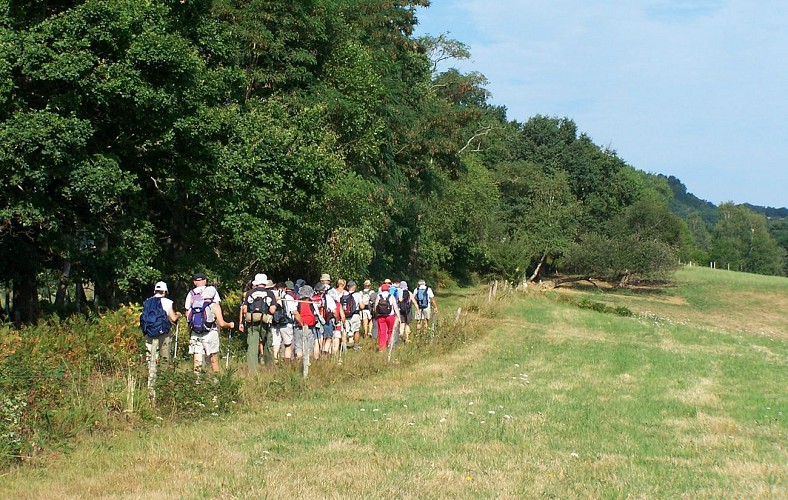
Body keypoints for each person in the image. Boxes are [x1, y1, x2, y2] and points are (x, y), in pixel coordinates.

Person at [185, 273, 235, 376]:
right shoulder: (214, 305)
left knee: (197, 360)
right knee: (213, 358)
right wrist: (229, 325)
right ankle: (216, 380)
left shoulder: (192, 297)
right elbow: (221, 323)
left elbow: (187, 315)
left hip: (195, 332)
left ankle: (197, 381)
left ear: (194, 282)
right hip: (210, 332)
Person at [144, 281, 181, 393]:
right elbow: (173, 318)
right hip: (163, 333)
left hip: (149, 333)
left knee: (151, 357)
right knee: (164, 358)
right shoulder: (167, 302)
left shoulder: (147, 302)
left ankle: (151, 381)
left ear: (154, 291)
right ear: (165, 291)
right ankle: (163, 382)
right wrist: (178, 314)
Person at [238, 273, 278, 373]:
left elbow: (244, 309)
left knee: (252, 346)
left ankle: (253, 371)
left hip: (252, 323)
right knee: (268, 345)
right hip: (265, 323)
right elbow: (272, 310)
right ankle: (270, 369)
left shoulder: (249, 293)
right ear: (265, 283)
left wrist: (241, 322)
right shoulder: (270, 294)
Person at [273, 281, 298, 362]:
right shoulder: (288, 297)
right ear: (285, 288)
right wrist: (301, 322)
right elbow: (294, 312)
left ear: (275, 288)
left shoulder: (272, 297)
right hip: (286, 324)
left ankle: (275, 362)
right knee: (288, 345)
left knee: (276, 344)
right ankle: (287, 363)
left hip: (275, 324)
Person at [373, 283, 399, 352]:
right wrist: (398, 317)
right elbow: (395, 307)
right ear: (388, 289)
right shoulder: (391, 296)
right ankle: (389, 344)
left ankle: (382, 348)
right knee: (390, 331)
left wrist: (376, 314)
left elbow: (375, 307)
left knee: (382, 331)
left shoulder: (379, 296)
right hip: (390, 315)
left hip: (381, 316)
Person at [343, 280, 363, 349]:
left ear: (348, 287)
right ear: (354, 286)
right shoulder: (357, 295)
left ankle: (344, 346)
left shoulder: (344, 294)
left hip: (346, 315)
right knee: (356, 331)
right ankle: (356, 346)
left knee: (345, 331)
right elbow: (362, 306)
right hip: (355, 315)